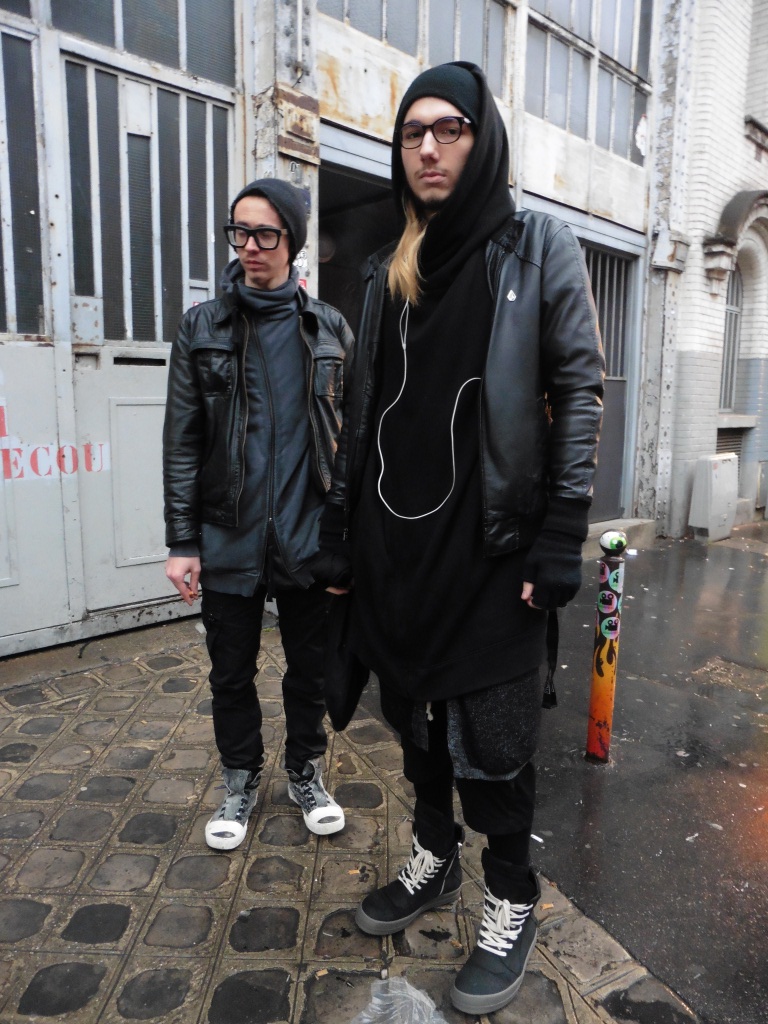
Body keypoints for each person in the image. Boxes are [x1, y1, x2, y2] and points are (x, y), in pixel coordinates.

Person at [319, 62, 604, 1015]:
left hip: (491, 549)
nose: (429, 148)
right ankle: (435, 857)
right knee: (417, 723)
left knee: (495, 738)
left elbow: (578, 389)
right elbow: (363, 415)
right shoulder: (384, 269)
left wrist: (562, 533)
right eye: (413, 133)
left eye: (450, 129)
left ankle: (512, 895)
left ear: (482, 142)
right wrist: (340, 533)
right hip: (397, 551)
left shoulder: (538, 249)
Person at [163, 178, 353, 852]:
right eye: (239, 231)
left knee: (310, 671)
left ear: (292, 242)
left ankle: (305, 770)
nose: (249, 246)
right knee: (230, 674)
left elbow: (352, 439)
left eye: (266, 233)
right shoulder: (202, 327)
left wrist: (345, 536)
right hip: (228, 535)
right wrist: (182, 540)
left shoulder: (329, 328)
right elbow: (183, 441)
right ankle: (240, 777)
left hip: (307, 535)